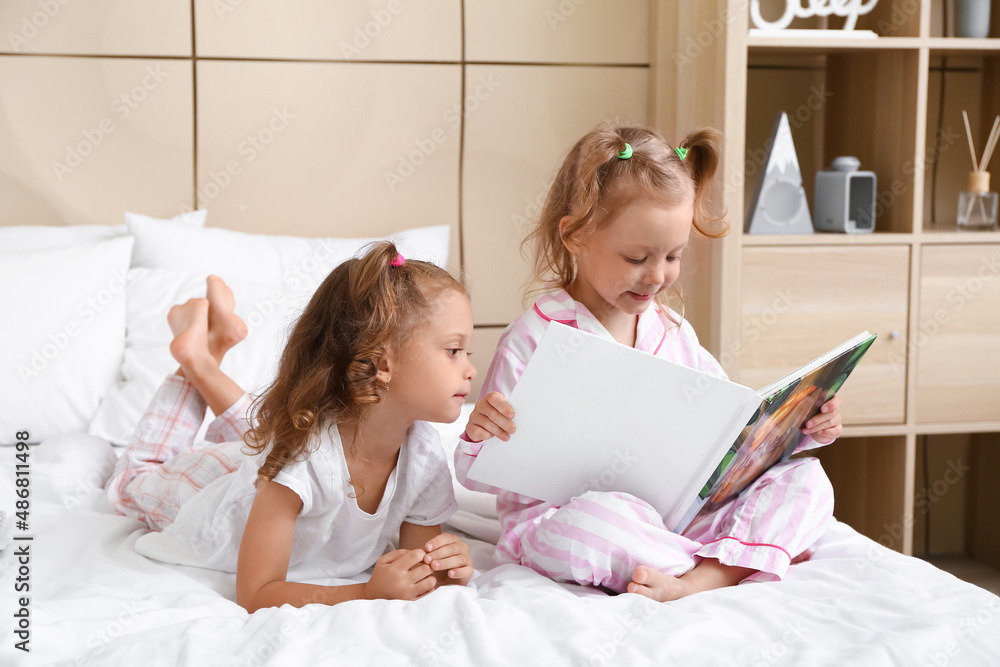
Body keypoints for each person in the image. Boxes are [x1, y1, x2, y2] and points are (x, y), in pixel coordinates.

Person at [454, 122, 842, 602]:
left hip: (678, 516)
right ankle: (738, 559)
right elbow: (475, 472)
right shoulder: (533, 338)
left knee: (807, 481)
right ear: (575, 235)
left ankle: (700, 575)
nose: (657, 276)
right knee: (596, 523)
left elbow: (732, 430)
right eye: (637, 257)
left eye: (673, 256)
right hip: (567, 518)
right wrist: (479, 434)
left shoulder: (674, 332)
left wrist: (798, 426)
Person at [107, 242, 476, 612]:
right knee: (132, 481)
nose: (470, 369)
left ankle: (205, 353)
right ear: (382, 364)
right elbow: (257, 593)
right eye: (453, 350)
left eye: (467, 352)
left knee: (271, 431)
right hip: (215, 505)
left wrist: (444, 566)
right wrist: (365, 593)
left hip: (269, 467)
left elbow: (417, 567)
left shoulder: (423, 454)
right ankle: (191, 359)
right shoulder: (301, 459)